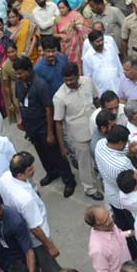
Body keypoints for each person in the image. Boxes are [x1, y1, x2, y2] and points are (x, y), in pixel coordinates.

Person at [12, 57, 77, 196]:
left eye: (20, 73)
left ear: (29, 70)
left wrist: (50, 133)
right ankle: (52, 172)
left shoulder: (40, 84)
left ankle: (69, 179)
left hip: (43, 126)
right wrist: (21, 118)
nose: (18, 76)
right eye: (16, 73)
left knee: (56, 154)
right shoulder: (19, 82)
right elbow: (20, 100)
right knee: (41, 153)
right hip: (31, 126)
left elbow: (49, 109)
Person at [0, 151, 63, 272]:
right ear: (20, 174)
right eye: (30, 169)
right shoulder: (25, 199)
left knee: (37, 260)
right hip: (37, 237)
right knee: (50, 266)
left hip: (21, 231)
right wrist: (50, 245)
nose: (33, 170)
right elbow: (35, 228)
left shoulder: (5, 177)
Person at [53, 63, 102, 200]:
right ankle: (90, 189)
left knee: (100, 156)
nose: (69, 82)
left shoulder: (87, 82)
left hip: (95, 128)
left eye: (72, 79)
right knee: (84, 163)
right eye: (66, 80)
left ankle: (102, 179)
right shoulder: (59, 97)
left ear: (78, 75)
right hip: (78, 135)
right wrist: (62, 146)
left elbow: (96, 100)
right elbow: (58, 122)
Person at [85, 206, 130, 272]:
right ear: (95, 226)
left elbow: (118, 234)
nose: (111, 221)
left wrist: (129, 233)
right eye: (105, 221)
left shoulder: (109, 225)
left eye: (109, 216)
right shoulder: (98, 249)